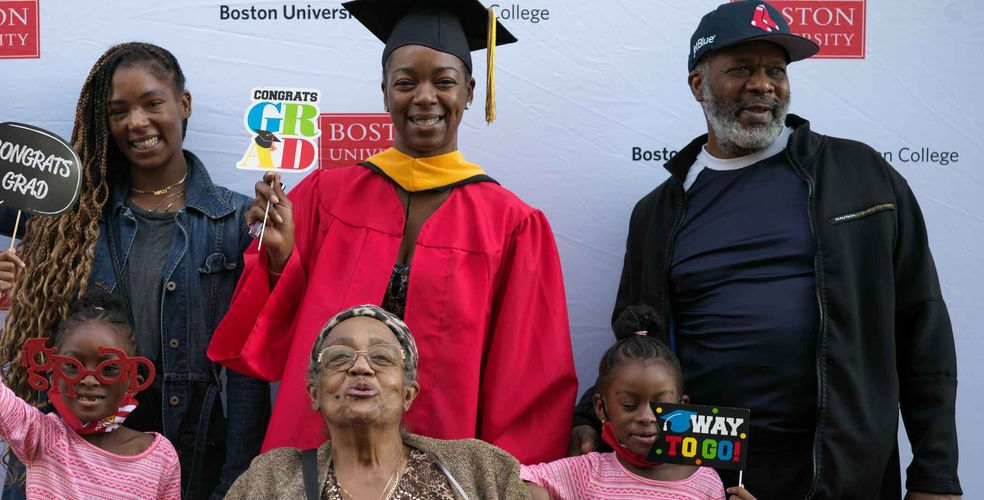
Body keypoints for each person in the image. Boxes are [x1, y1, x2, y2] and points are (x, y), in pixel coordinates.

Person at [569, 2, 960, 498]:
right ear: (698, 86)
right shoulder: (658, 212)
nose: (763, 84)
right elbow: (638, 341)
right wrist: (590, 412)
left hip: (843, 465)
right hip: (710, 472)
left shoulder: (861, 175)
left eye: (775, 70)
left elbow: (922, 327)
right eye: (742, 70)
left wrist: (936, 473)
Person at [0, 1, 269, 497]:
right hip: (72, 469)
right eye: (118, 111)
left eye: (152, 103)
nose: (136, 122)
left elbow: (246, 377)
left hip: (184, 463)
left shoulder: (236, 221)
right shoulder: (71, 210)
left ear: (183, 103)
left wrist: (240, 485)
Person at [207, 0, 577, 465]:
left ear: (469, 91)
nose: (425, 97)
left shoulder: (511, 224)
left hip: (442, 461)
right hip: (319, 450)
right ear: (384, 93)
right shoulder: (325, 195)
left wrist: (499, 479)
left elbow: (527, 378)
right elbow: (270, 340)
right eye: (406, 83)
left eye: (444, 81)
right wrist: (278, 262)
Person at [226, 305, 528, 499]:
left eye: (381, 358)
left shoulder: (480, 469)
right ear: (315, 393)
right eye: (340, 357)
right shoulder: (269, 479)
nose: (360, 367)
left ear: (408, 394)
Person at [0, 250, 180, 498]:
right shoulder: (42, 436)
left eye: (108, 368)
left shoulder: (160, 457)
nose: (89, 379)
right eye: (72, 366)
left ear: (134, 379)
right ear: (52, 371)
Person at [524, 307, 753, 500]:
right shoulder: (586, 472)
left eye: (660, 403)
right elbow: (512, 479)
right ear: (601, 407)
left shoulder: (706, 483)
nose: (646, 416)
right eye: (629, 405)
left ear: (682, 405)